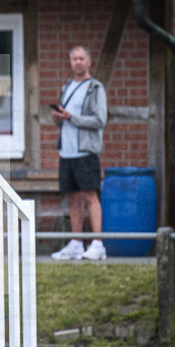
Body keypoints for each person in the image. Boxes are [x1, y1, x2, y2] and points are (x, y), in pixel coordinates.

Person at [50, 45, 108, 261]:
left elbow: (100, 120)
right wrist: (58, 118)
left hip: (85, 152)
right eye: (74, 59)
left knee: (90, 196)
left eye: (82, 58)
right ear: (71, 62)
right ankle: (75, 243)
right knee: (73, 198)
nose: (78, 62)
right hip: (67, 152)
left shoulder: (95, 88)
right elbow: (66, 118)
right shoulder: (67, 87)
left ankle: (98, 244)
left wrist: (71, 117)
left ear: (89, 62)